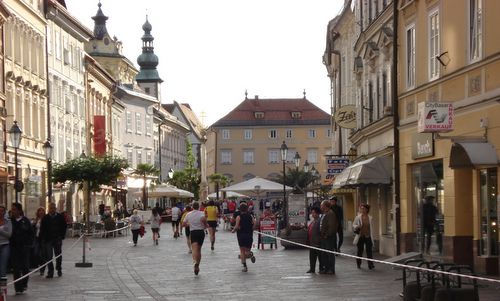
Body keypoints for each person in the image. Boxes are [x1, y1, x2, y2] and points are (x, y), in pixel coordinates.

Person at [10, 202, 34, 295]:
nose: (12, 211)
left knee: (25, 267)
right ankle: (18, 288)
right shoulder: (10, 221)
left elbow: (31, 233)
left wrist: (29, 243)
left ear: (19, 210)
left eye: (14, 209)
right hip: (14, 248)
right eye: (12, 209)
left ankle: (24, 284)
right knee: (16, 268)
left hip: (24, 247)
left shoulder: (25, 220)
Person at [40, 202, 67, 278]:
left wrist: (62, 236)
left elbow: (64, 226)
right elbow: (42, 229)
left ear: (55, 209)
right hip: (48, 240)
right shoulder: (45, 218)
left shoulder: (60, 217)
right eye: (50, 208)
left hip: (57, 239)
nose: (52, 210)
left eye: (53, 208)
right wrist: (43, 239)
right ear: (48, 209)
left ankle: (59, 269)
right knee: (49, 256)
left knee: (58, 255)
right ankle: (50, 271)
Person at [182, 202, 208, 275]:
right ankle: (198, 265)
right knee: (199, 250)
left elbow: (183, 224)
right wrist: (205, 225)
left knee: (194, 249)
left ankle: (195, 262)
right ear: (199, 207)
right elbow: (204, 220)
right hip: (201, 232)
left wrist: (189, 224)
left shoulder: (188, 214)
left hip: (193, 232)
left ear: (192, 207)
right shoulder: (202, 213)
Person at [232, 202, 256, 272]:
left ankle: (245, 267)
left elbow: (236, 227)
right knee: (247, 251)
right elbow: (255, 223)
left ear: (240, 209)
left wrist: (233, 230)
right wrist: (252, 228)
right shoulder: (250, 216)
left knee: (242, 251)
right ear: (247, 209)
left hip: (241, 235)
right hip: (249, 235)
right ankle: (250, 254)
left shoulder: (238, 217)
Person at [353, 203, 374, 269]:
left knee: (369, 251)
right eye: (361, 208)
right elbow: (353, 224)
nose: (362, 209)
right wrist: (357, 226)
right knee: (360, 250)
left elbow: (372, 227)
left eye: (363, 208)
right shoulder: (358, 217)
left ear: (367, 210)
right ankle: (358, 263)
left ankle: (370, 265)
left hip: (368, 236)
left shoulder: (370, 218)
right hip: (360, 236)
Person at [319, 200, 337, 275]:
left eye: (321, 205)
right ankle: (326, 268)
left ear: (325, 206)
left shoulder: (330, 214)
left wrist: (327, 235)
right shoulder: (324, 213)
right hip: (323, 237)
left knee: (329, 253)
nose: (320, 207)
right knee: (324, 253)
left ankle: (331, 269)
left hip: (328, 237)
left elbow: (332, 226)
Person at [306, 207, 321, 273]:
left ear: (317, 213)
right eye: (312, 213)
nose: (312, 214)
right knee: (312, 257)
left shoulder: (319, 221)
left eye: (314, 213)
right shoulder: (313, 221)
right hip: (312, 242)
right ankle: (312, 268)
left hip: (317, 242)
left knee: (320, 257)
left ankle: (321, 269)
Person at [32, 207, 46, 276]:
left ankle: (42, 269)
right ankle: (39, 265)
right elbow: (34, 228)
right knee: (36, 253)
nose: (41, 212)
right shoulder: (36, 219)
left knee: (42, 254)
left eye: (42, 211)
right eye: (39, 211)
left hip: (43, 238)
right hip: (37, 238)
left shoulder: (46, 219)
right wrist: (34, 224)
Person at [0, 205, 12, 283]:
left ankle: (3, 288)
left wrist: (0, 231)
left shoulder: (8, 221)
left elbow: (9, 235)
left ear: (4, 212)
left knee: (3, 266)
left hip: (5, 245)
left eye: (2, 211)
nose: (0, 212)